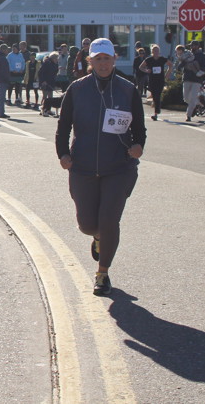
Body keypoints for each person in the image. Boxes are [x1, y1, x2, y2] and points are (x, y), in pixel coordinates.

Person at [55, 38, 146, 296]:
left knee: (109, 221)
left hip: (119, 167)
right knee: (87, 224)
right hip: (83, 167)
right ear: (90, 61)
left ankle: (102, 273)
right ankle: (97, 237)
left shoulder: (127, 89)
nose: (103, 64)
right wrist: (63, 153)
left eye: (107, 59)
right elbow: (63, 126)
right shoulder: (77, 89)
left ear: (114, 59)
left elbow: (139, 128)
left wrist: (138, 145)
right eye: (98, 59)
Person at [138, 45, 170, 121]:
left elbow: (171, 65)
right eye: (154, 51)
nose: (156, 52)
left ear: (159, 51)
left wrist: (167, 74)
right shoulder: (149, 59)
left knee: (157, 95)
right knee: (155, 95)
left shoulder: (162, 59)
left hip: (160, 80)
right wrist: (146, 70)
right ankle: (157, 108)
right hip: (152, 80)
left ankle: (156, 113)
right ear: (152, 51)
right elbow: (141, 67)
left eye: (157, 51)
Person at [175, 44, 205, 122]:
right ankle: (198, 103)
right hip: (187, 78)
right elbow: (180, 65)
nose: (192, 47)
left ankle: (188, 115)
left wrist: (202, 72)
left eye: (194, 45)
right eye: (191, 46)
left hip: (197, 79)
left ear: (198, 46)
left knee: (192, 98)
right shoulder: (185, 54)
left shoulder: (202, 56)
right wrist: (179, 65)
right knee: (186, 98)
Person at [0, 43, 11, 118]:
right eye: (6, 49)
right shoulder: (3, 58)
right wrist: (7, 79)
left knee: (0, 97)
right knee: (1, 97)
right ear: (3, 50)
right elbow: (4, 71)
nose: (7, 51)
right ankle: (1, 113)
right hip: (2, 79)